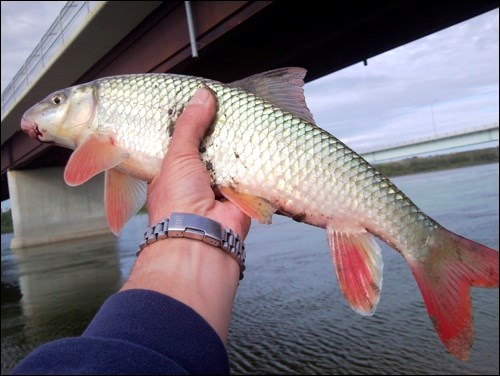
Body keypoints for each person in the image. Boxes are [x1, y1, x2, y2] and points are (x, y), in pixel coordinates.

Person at [12, 87, 251, 375]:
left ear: (91, 102)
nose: (48, 108)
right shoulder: (110, 151)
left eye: (58, 100)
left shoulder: (102, 135)